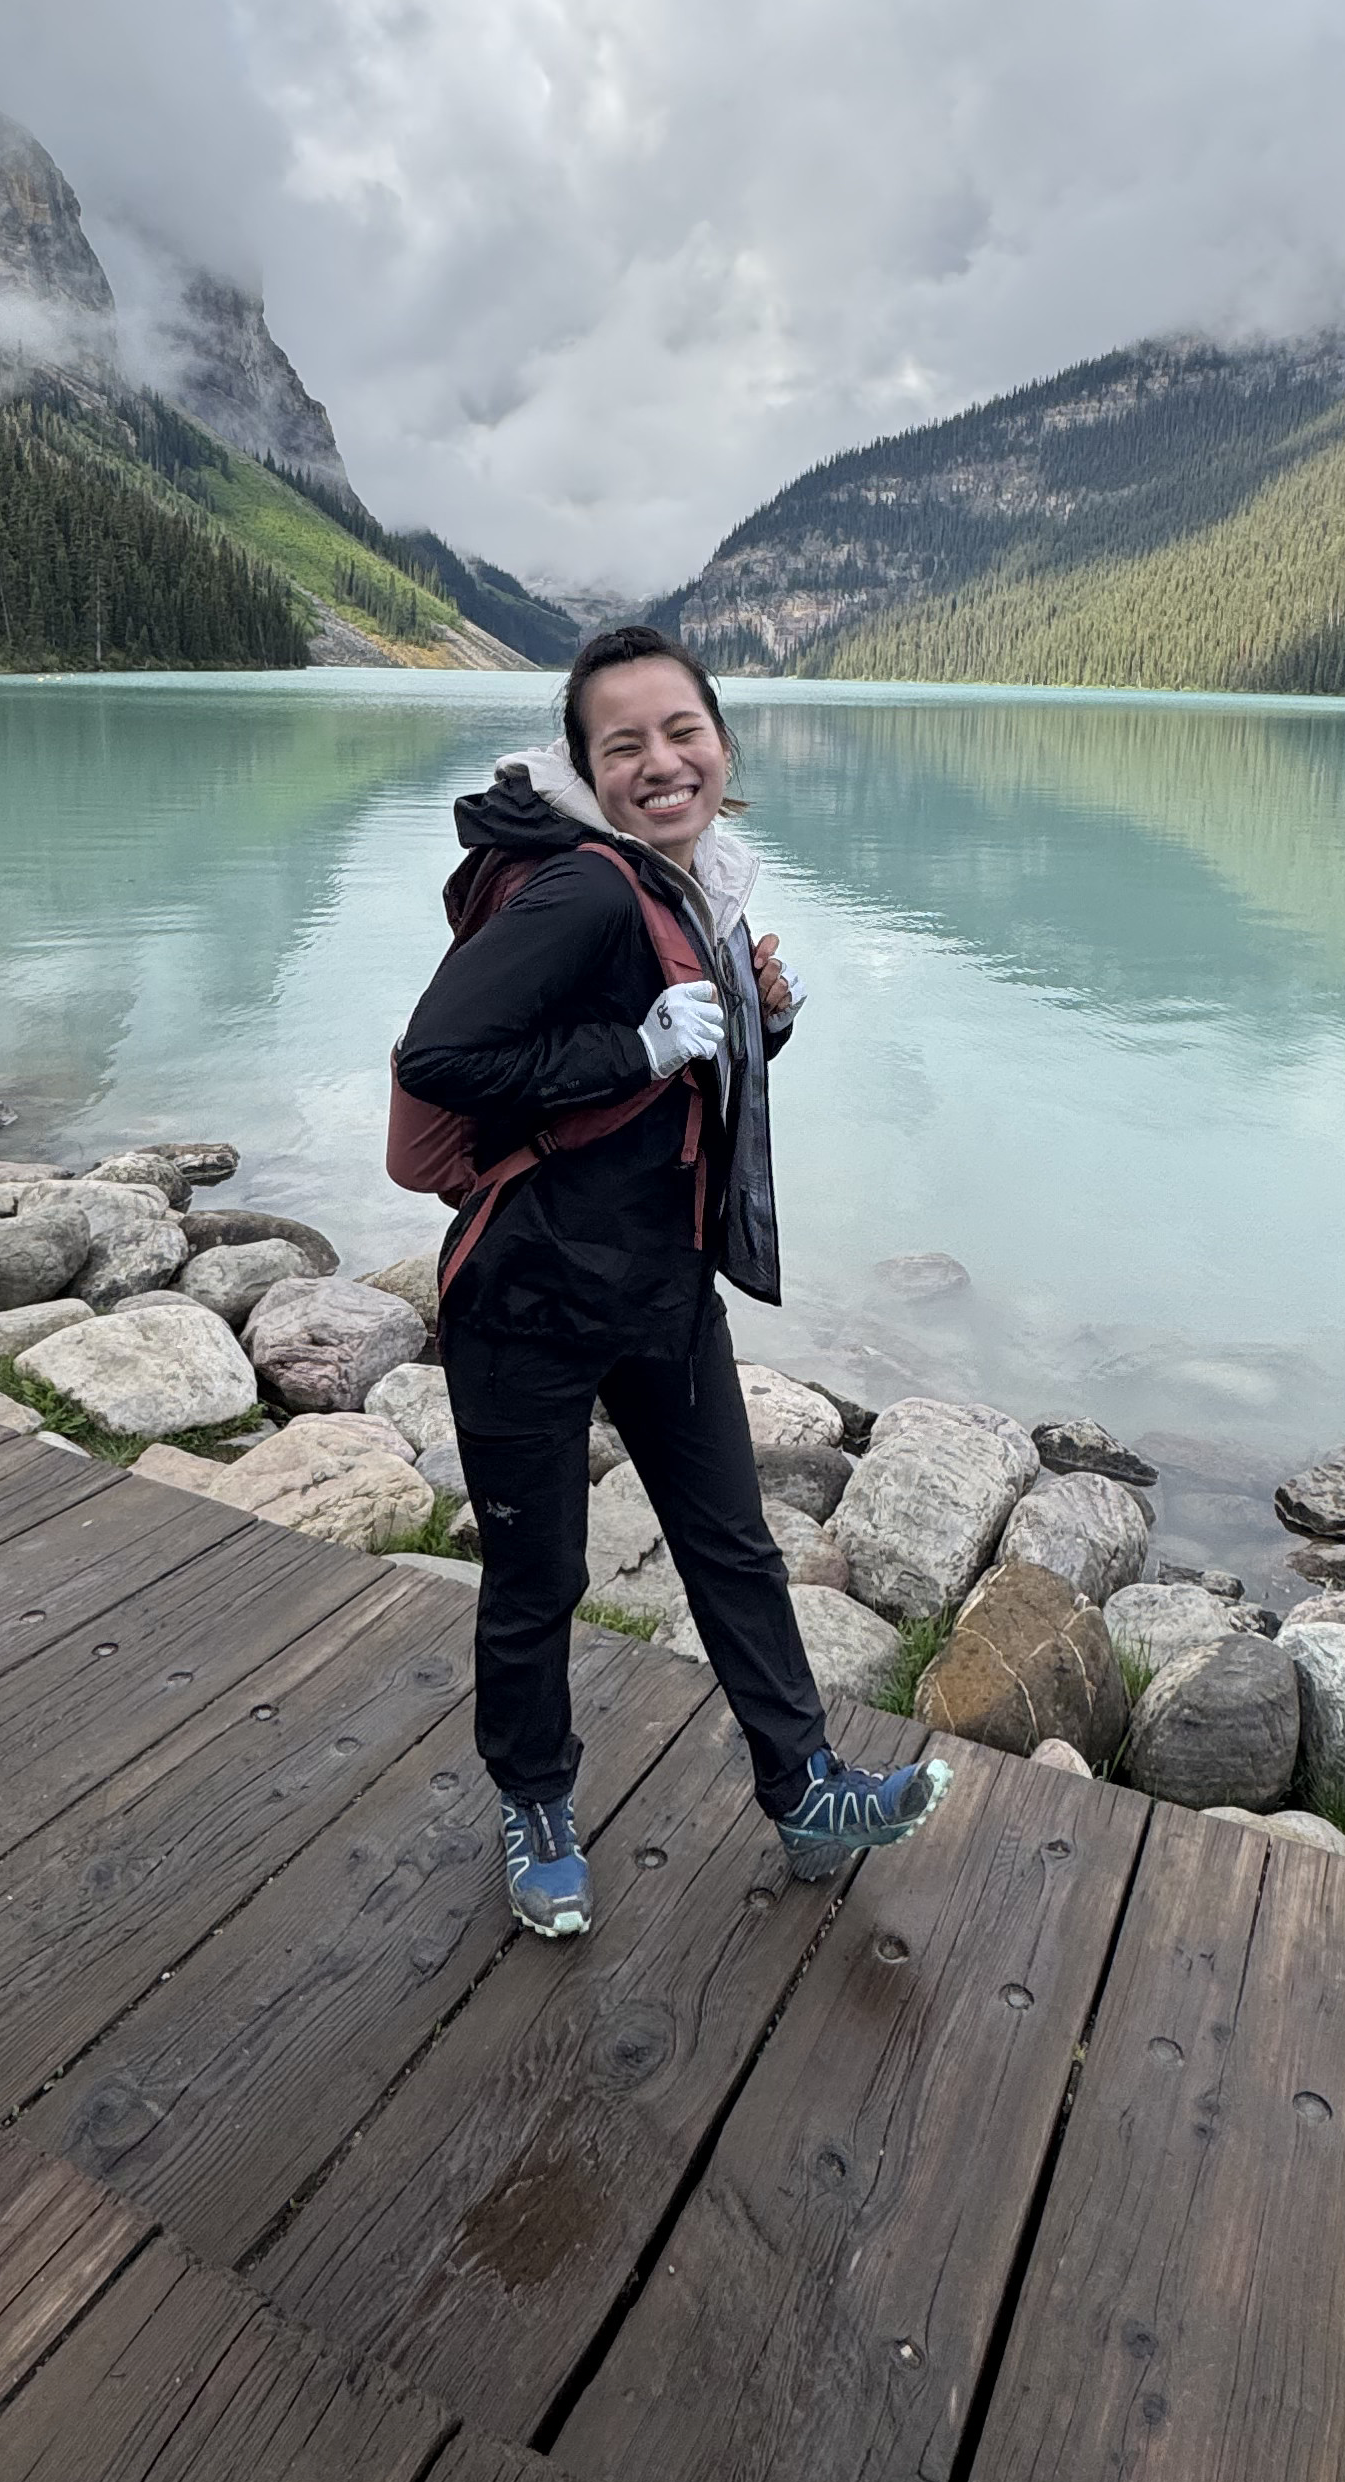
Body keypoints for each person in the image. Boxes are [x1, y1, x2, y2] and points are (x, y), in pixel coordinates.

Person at [394, 625, 949, 1938]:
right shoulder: (582, 888)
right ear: (586, 764)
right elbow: (439, 1058)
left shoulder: (699, 884)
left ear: (721, 740)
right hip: (524, 1293)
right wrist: (634, 1044)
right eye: (622, 743)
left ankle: (806, 1787)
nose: (659, 761)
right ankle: (536, 1807)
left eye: (680, 731)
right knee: (539, 1580)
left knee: (734, 1550)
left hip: (657, 1283)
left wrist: (765, 1028)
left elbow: (674, 1102)